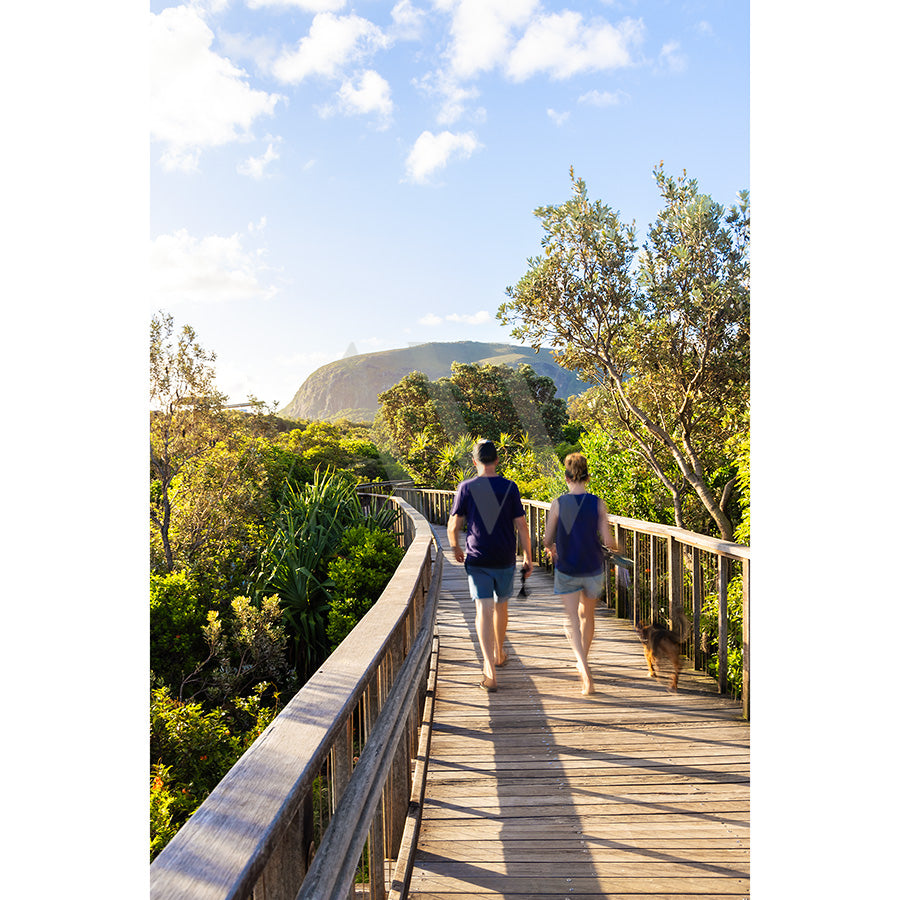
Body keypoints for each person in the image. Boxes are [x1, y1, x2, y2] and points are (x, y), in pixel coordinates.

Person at [447, 439, 534, 692]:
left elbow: (454, 526)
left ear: (474, 462)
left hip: (478, 559)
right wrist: (528, 556)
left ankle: (489, 669)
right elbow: (522, 525)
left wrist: (454, 546)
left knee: (483, 610)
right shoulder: (510, 487)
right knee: (500, 607)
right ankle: (499, 653)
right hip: (505, 558)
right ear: (497, 460)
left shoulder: (466, 488)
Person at [543, 452, 619, 695]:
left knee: (572, 620)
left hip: (567, 566)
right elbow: (608, 540)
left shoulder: (558, 503)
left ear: (566, 477)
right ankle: (582, 662)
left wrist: (551, 547)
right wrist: (618, 545)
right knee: (588, 616)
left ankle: (584, 669)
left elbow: (546, 538)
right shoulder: (597, 503)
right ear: (587, 477)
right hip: (593, 565)